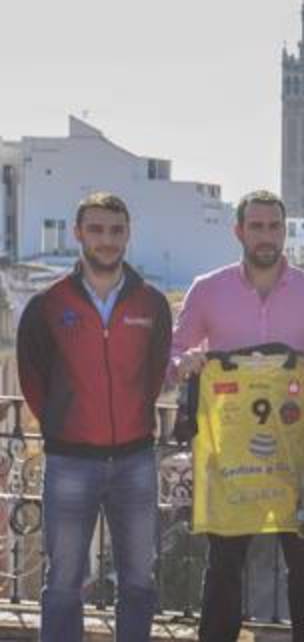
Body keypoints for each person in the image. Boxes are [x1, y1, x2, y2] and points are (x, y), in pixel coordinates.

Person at [170, 190, 304, 642]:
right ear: (238, 231)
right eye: (256, 226)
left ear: (284, 231)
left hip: (292, 457)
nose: (266, 235)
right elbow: (175, 351)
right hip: (231, 460)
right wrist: (184, 365)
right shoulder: (207, 289)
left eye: (274, 226)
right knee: (223, 571)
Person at [17, 192, 172, 642]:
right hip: (70, 462)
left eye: (116, 230)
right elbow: (32, 376)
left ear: (128, 235)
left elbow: (155, 370)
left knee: (139, 580)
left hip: (135, 461)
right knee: (64, 581)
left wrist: (132, 422)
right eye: (98, 229)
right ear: (78, 233)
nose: (107, 240)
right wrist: (64, 427)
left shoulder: (152, 304)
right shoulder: (47, 304)